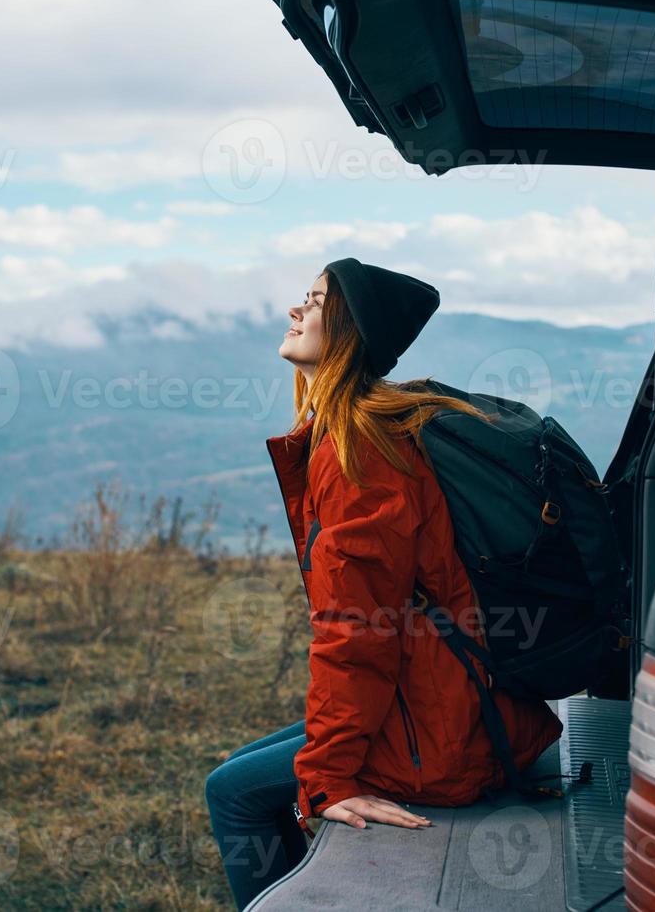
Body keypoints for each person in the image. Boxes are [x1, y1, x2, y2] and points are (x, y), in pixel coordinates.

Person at [204, 257, 563, 909]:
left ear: (347, 331)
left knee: (230, 793)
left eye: (313, 302)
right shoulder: (376, 431)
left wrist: (331, 777)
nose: (295, 310)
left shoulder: (359, 455)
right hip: (444, 697)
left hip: (443, 732)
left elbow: (359, 635)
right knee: (246, 765)